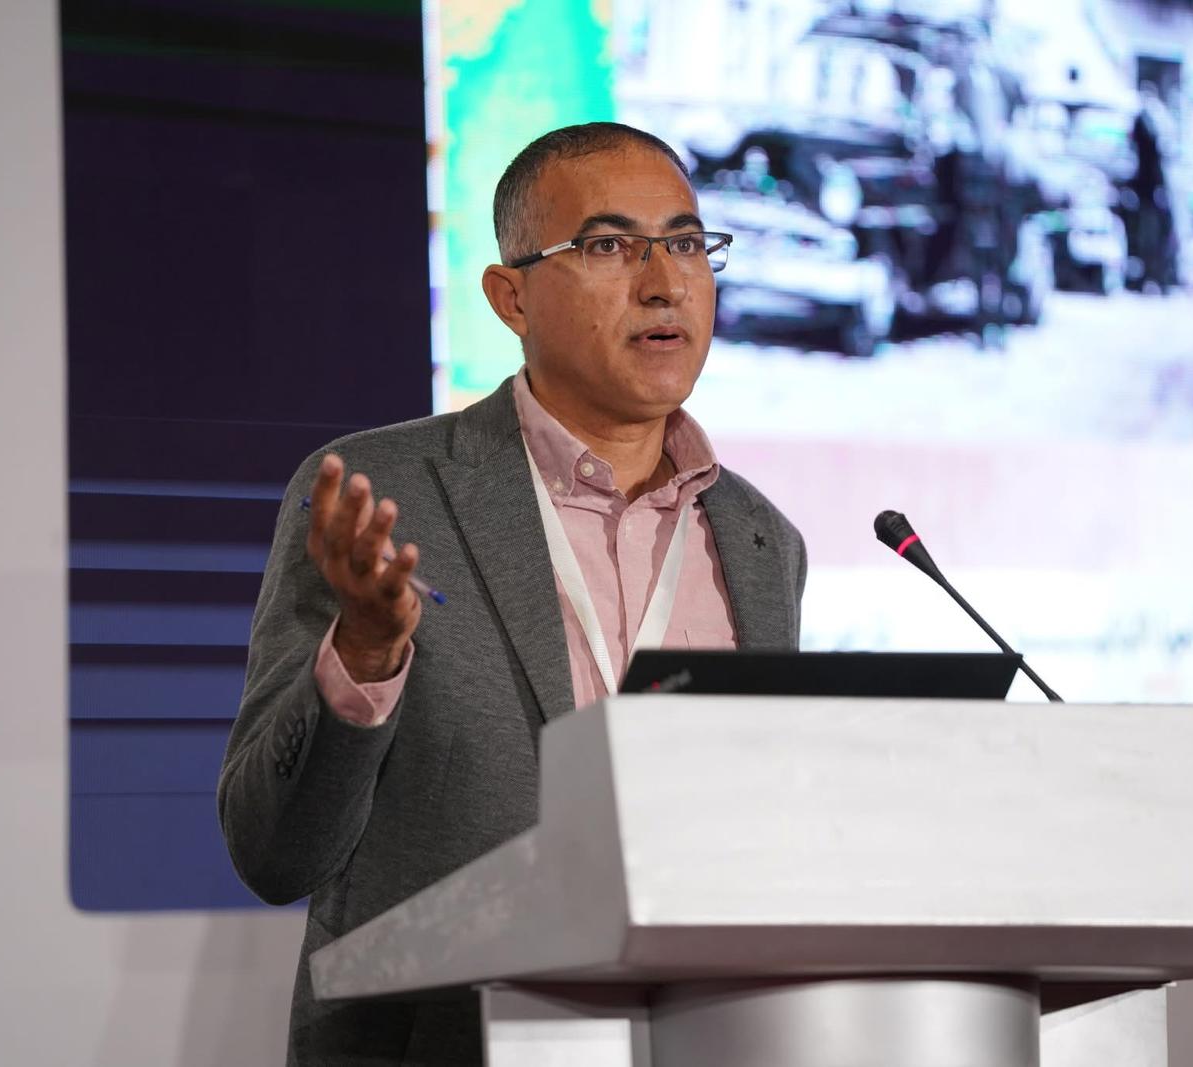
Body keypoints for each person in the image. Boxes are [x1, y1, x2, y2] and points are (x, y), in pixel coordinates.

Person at [217, 122, 807, 1066]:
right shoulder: (382, 495)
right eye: (611, 246)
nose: (664, 282)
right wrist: (362, 656)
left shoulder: (761, 539)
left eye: (688, 243)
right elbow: (273, 848)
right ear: (510, 296)